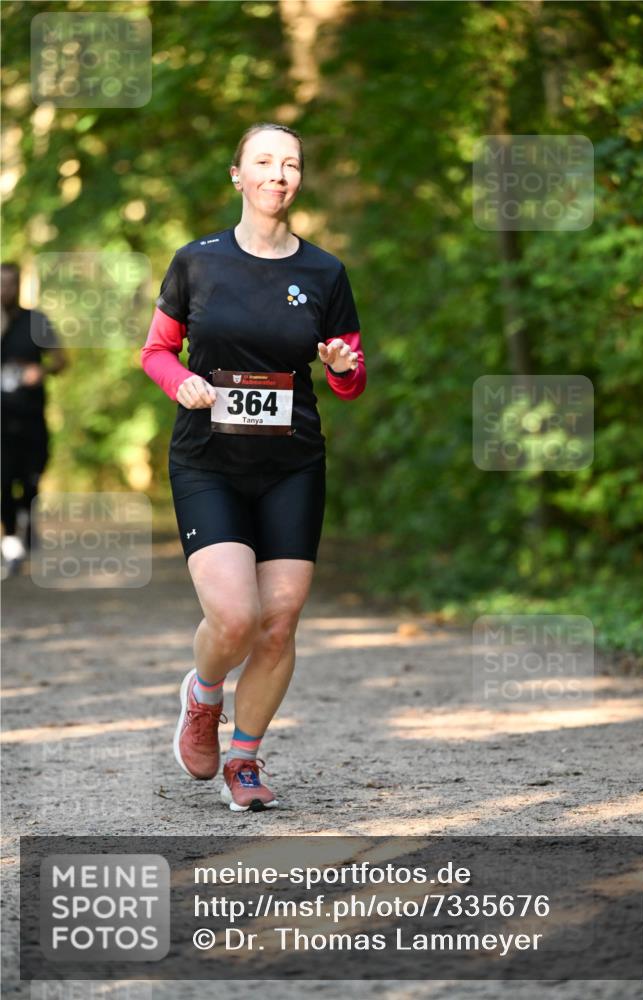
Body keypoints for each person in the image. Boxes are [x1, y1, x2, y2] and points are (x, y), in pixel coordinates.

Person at [141, 122, 366, 812]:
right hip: (208, 460)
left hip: (291, 461)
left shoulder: (324, 273)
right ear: (237, 175)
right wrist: (179, 382)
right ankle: (202, 696)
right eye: (263, 162)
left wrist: (340, 367)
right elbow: (156, 351)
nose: (278, 173)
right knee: (235, 618)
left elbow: (349, 377)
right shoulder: (196, 262)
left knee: (280, 620)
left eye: (290, 163)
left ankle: (244, 758)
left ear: (299, 179)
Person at [1, 262, 67, 576]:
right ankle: (12, 543)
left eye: (10, 284)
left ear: (19, 285)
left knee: (30, 482)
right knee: (2, 482)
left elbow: (61, 360)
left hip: (30, 418)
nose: (5, 290)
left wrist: (40, 372)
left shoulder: (35, 321)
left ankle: (27, 526)